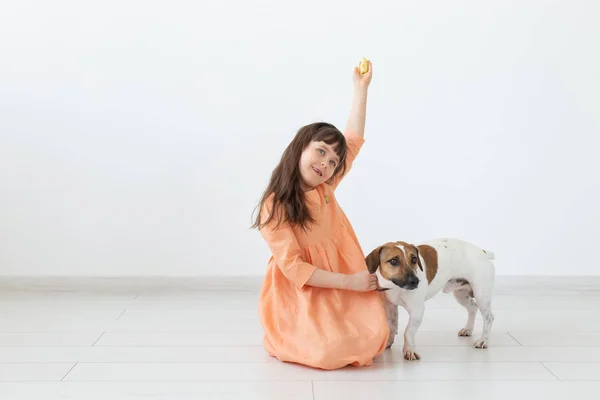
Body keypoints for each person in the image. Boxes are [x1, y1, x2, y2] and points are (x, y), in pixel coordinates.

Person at [251, 60, 389, 370]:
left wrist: (361, 89)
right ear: (300, 148)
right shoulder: (277, 205)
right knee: (327, 351)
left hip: (341, 280)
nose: (326, 163)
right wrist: (349, 282)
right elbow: (295, 269)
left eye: (333, 161)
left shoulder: (326, 186)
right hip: (306, 290)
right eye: (320, 151)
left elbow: (353, 139)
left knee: (374, 336)